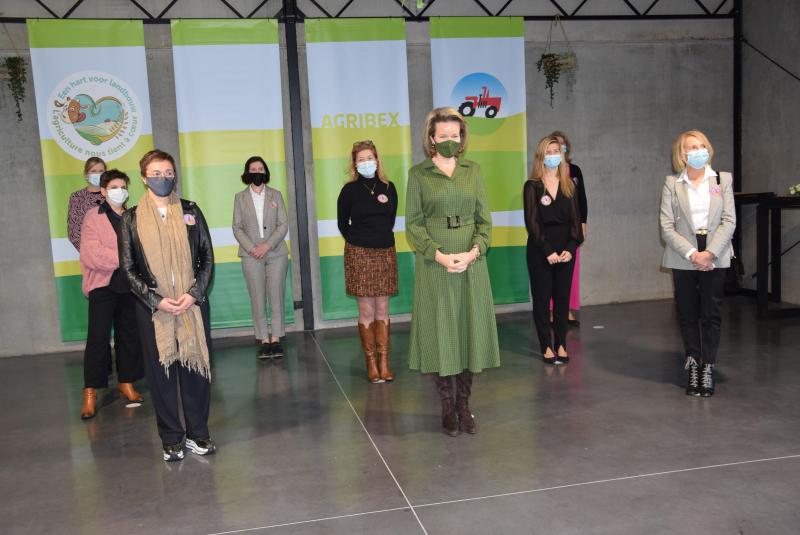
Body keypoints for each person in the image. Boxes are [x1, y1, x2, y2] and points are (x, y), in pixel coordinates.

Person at [405, 107, 500, 437]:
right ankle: (447, 406)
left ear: (462, 139)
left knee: (468, 332)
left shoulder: (473, 171)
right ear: (431, 139)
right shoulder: (418, 175)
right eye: (442, 135)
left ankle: (464, 405)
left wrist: (474, 251)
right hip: (436, 265)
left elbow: (485, 222)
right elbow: (413, 226)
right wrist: (440, 256)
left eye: (454, 135)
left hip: (471, 261)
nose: (449, 140)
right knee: (441, 333)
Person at [120, 149, 216, 461]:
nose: (164, 178)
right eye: (157, 173)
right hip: (153, 310)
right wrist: (156, 301)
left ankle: (198, 433)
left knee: (195, 370)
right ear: (144, 177)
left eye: (169, 172)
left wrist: (194, 293)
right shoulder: (131, 219)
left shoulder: (191, 210)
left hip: (191, 305)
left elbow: (206, 258)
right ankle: (171, 437)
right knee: (161, 375)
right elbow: (129, 268)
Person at [659, 130, 735, 397]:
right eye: (692, 147)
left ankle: (708, 366)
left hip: (715, 252)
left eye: (702, 145)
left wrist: (710, 253)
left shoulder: (722, 179)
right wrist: (693, 253)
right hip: (684, 255)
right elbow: (667, 226)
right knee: (688, 312)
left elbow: (729, 220)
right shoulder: (672, 183)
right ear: (682, 154)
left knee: (711, 314)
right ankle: (693, 363)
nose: (698, 151)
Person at [78, 169, 143, 419]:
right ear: (103, 191)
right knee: (98, 338)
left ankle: (126, 382)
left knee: (129, 336)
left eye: (123, 186)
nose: (120, 190)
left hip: (129, 286)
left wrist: (128, 260)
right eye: (114, 187)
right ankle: (90, 391)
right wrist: (126, 258)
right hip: (103, 286)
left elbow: (142, 249)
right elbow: (91, 254)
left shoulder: (132, 216)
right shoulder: (93, 216)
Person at [337, 140, 399, 383]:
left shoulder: (388, 187)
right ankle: (371, 364)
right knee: (366, 310)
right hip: (359, 254)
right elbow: (343, 224)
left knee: (382, 309)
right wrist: (360, 240)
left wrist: (377, 239)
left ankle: (385, 362)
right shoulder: (349, 191)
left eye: (369, 158)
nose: (366, 162)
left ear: (377, 159)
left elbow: (390, 218)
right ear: (354, 164)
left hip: (384, 252)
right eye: (361, 159)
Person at [524, 136, 583, 365]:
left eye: (556, 150)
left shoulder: (569, 185)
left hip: (566, 251)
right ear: (541, 156)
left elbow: (576, 222)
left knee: (561, 301)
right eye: (548, 151)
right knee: (542, 300)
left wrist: (571, 247)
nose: (553, 155)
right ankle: (546, 346)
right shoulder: (532, 186)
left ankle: (561, 344)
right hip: (541, 251)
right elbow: (532, 222)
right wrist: (547, 250)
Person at [232, 156, 289, 359]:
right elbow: (237, 227)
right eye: (253, 168)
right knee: (257, 297)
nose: (257, 171)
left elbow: (283, 224)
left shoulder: (276, 195)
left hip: (276, 253)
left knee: (276, 295)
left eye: (261, 168)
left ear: (265, 172)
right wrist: (252, 248)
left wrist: (267, 245)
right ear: (247, 173)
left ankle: (276, 338)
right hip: (251, 254)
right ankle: (264, 339)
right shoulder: (240, 197)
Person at [549, 130, 587, 327]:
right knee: (551, 272)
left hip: (572, 231)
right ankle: (552, 311)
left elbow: (582, 200)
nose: (559, 150)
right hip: (551, 232)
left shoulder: (575, 170)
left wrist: (583, 224)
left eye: (562, 146)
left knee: (570, 272)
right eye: (555, 146)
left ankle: (568, 311)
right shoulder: (544, 175)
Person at [68, 157, 107, 251]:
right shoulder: (77, 197)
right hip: (89, 254)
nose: (98, 174)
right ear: (86, 175)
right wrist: (89, 253)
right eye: (93, 171)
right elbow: (74, 232)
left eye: (101, 171)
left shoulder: (114, 194)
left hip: (114, 253)